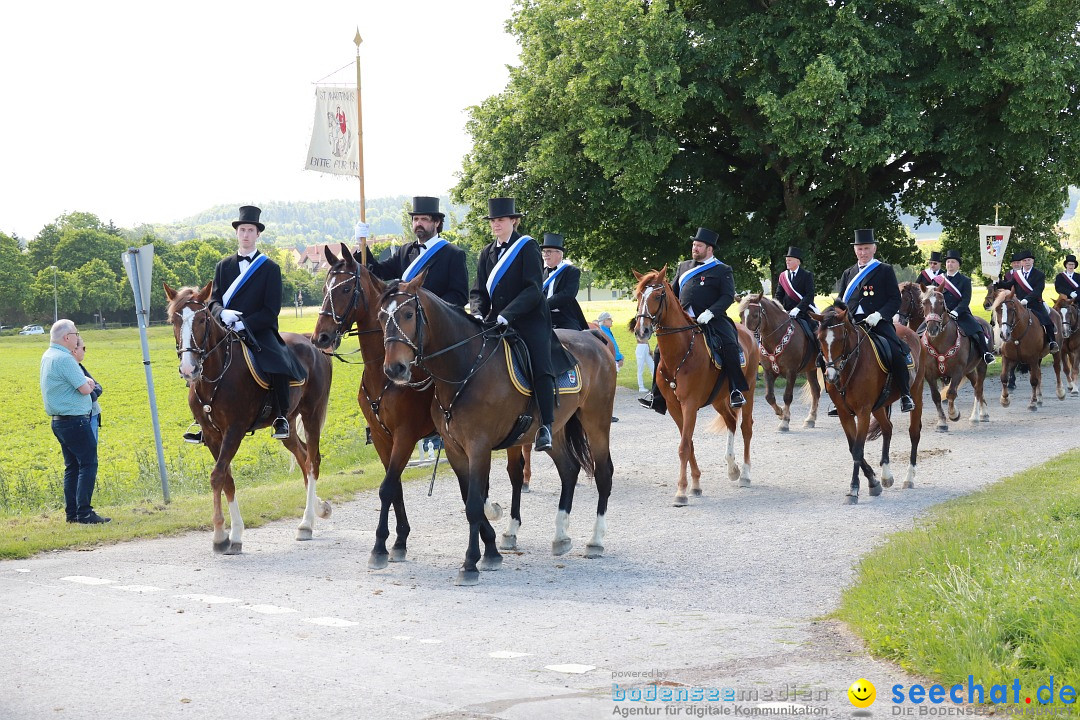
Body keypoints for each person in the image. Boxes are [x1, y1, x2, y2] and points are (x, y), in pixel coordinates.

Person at [183, 206, 307, 444]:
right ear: (237, 233)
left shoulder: (270, 268)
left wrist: (245, 323)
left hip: (259, 330)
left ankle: (281, 416)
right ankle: (202, 420)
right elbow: (214, 301)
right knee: (201, 360)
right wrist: (223, 313)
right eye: (242, 230)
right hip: (225, 329)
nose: (246, 234)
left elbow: (271, 310)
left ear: (258, 234)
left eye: (250, 230)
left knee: (278, 361)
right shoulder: (224, 266)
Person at [470, 198, 574, 451]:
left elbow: (533, 289)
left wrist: (508, 313)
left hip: (529, 319)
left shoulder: (527, 247)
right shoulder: (486, 253)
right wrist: (477, 313)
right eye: (493, 220)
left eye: (501, 220)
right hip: (495, 321)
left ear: (513, 221)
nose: (496, 224)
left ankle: (546, 426)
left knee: (539, 363)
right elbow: (478, 291)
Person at [638, 227, 749, 414]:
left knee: (730, 344)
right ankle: (657, 397)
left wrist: (711, 312)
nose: (694, 248)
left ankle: (736, 389)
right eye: (693, 245)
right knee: (659, 350)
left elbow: (727, 296)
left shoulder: (722, 269)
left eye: (698, 246)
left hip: (712, 319)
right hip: (684, 322)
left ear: (709, 249)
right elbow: (671, 293)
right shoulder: (684, 267)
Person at [835, 228, 915, 413]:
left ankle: (905, 394)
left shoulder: (884, 270)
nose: (862, 252)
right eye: (859, 249)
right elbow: (840, 301)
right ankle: (839, 397)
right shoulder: (849, 273)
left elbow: (895, 299)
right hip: (852, 322)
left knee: (895, 351)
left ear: (874, 249)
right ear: (855, 250)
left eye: (866, 248)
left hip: (877, 321)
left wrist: (879, 314)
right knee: (833, 353)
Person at [40, 320, 110, 524]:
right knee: (88, 464)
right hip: (75, 421)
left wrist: (88, 383)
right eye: (75, 333)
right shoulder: (64, 358)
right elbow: (86, 389)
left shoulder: (48, 355)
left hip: (59, 421)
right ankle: (85, 513)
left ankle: (72, 513)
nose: (77, 337)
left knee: (72, 467)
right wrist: (89, 383)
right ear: (67, 337)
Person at [354, 196, 469, 307]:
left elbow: (460, 296)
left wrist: (426, 308)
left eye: (424, 219)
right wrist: (361, 245)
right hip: (406, 322)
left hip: (437, 324)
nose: (418, 223)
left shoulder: (454, 254)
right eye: (415, 219)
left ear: (437, 222)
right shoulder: (404, 251)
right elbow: (378, 272)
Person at [934, 249, 996, 366]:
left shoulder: (965, 280)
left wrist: (956, 312)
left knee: (977, 331)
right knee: (920, 331)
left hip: (960, 313)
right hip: (941, 314)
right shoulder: (937, 280)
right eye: (948, 262)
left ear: (958, 265)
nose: (950, 264)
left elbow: (966, 300)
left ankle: (986, 354)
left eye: (953, 262)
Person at [993, 249, 1060, 354]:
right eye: (1024, 260)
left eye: (1029, 260)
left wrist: (1026, 300)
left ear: (1032, 261)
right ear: (1021, 263)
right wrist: (997, 281)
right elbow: (1008, 285)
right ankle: (1003, 344)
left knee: (1046, 319)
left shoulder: (1039, 275)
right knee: (1007, 319)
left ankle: (1052, 341)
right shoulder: (1017, 275)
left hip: (1035, 303)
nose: (1027, 262)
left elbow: (1038, 290)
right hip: (1019, 304)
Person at [540, 233, 588, 331]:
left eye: (548, 252)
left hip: (564, 317)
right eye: (544, 252)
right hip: (543, 316)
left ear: (559, 253)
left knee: (576, 341)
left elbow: (568, 295)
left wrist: (544, 304)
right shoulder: (541, 272)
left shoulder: (572, 271)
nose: (545, 255)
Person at [773, 245, 818, 340]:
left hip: (803, 312)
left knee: (813, 332)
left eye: (790, 259)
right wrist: (780, 308)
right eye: (786, 260)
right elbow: (779, 295)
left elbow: (809, 295)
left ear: (798, 261)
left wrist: (798, 309)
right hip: (786, 312)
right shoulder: (783, 276)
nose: (787, 262)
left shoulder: (806, 275)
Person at [72, 336, 103, 442]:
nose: (85, 351)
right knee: (88, 453)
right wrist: (93, 392)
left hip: (92, 414)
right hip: (86, 417)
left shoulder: (79, 366)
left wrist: (93, 390)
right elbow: (89, 393)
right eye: (83, 348)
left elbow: (98, 386)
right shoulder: (72, 369)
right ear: (75, 350)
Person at [629, 317, 654, 393]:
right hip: (641, 348)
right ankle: (641, 387)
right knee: (640, 368)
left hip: (645, 347)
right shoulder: (637, 330)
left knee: (653, 367)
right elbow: (641, 339)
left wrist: (649, 350)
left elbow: (646, 341)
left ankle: (655, 385)